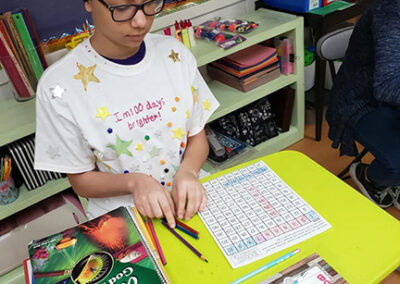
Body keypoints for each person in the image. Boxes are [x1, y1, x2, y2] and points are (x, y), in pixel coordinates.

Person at [34, 0, 220, 227]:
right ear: (89, 3)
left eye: (150, 3)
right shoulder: (59, 87)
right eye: (122, 9)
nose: (141, 21)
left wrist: (189, 171)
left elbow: (197, 136)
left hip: (190, 200)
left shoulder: (175, 54)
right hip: (122, 218)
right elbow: (81, 180)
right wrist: (135, 183)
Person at [326, 0, 400, 209]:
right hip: (360, 100)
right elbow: (386, 84)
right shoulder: (391, 8)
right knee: (397, 166)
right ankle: (368, 176)